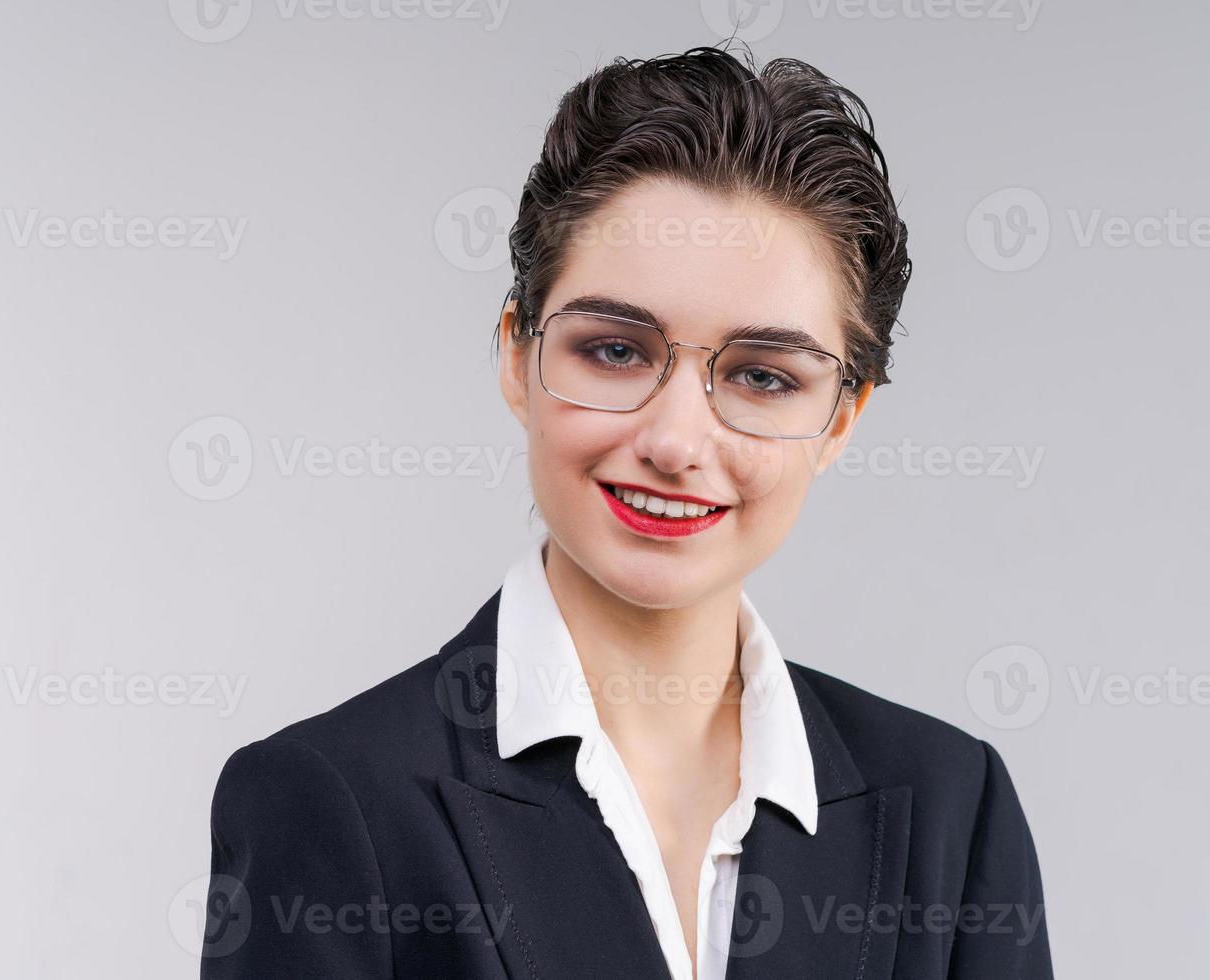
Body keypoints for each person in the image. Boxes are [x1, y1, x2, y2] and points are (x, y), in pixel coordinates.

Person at [199, 43, 1053, 980]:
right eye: (614, 351)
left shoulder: (950, 809)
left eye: (764, 376)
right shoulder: (331, 800)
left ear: (842, 418)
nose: (678, 441)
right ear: (517, 355)